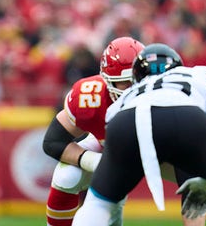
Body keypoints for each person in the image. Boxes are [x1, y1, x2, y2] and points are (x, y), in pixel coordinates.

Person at [74, 43, 206, 226]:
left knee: (98, 202)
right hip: (185, 116)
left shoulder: (124, 99)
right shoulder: (198, 74)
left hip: (125, 121)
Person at [42, 37, 145, 226]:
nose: (133, 89)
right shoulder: (91, 96)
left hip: (162, 153)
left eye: (138, 81)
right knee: (67, 176)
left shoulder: (165, 97)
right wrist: (95, 162)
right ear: (107, 82)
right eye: (125, 83)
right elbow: (52, 142)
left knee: (204, 181)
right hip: (111, 147)